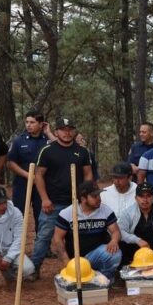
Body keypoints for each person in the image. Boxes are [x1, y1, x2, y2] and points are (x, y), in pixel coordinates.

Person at [32, 116, 93, 279]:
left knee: (78, 235)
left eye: (70, 130)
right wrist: (45, 199)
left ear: (74, 132)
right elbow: (39, 175)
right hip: (53, 203)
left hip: (75, 203)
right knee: (44, 236)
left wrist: (85, 196)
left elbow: (88, 174)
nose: (67, 133)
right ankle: (34, 268)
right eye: (63, 130)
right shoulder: (47, 151)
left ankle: (79, 267)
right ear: (56, 132)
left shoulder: (82, 151)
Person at [53, 181, 122, 284]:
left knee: (114, 253)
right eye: (94, 196)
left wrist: (114, 241)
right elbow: (57, 238)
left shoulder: (105, 210)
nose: (99, 198)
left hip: (97, 254)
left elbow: (116, 231)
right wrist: (66, 261)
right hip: (76, 259)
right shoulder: (67, 213)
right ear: (83, 199)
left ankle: (105, 279)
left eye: (99, 195)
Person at [117, 182, 153, 267]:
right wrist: (137, 240)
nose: (145, 200)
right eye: (141, 196)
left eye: (148, 196)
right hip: (136, 251)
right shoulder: (128, 212)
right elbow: (120, 231)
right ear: (136, 198)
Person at [7, 110, 49, 223]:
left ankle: (39, 235)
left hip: (43, 185)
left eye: (32, 122)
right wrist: (29, 176)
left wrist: (49, 133)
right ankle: (18, 235)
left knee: (42, 217)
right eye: (27, 122)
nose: (28, 125)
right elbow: (11, 163)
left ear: (41, 124)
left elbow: (59, 151)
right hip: (22, 183)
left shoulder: (48, 141)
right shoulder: (18, 141)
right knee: (18, 216)